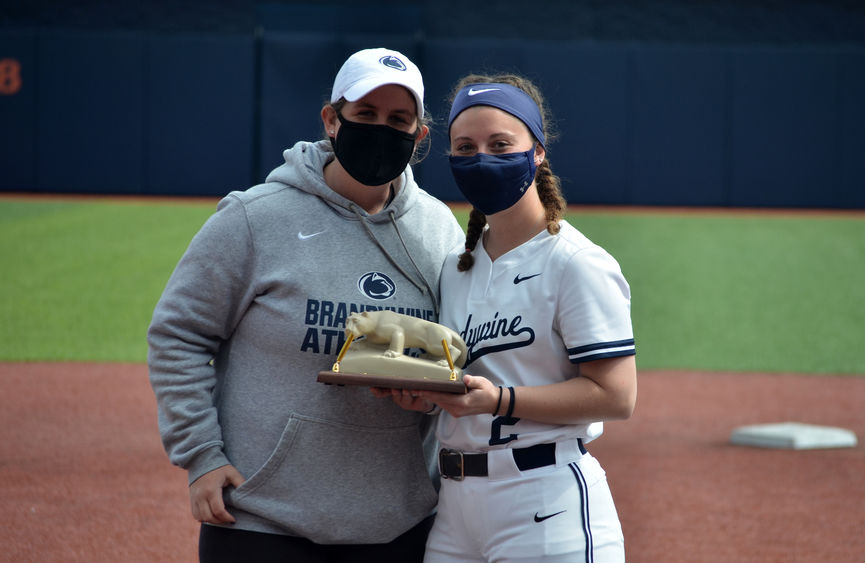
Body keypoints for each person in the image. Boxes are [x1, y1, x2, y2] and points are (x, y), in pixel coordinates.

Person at [147, 47, 464, 562]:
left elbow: (449, 352)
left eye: (398, 120)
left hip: (397, 527)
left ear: (419, 136)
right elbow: (178, 335)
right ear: (331, 120)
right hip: (261, 521)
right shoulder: (254, 218)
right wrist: (201, 455)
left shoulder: (439, 231)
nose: (381, 129)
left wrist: (426, 392)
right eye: (365, 115)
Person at [378, 74, 637, 562]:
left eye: (500, 144)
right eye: (466, 146)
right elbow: (466, 386)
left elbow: (617, 396)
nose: (482, 159)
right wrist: (428, 398)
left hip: (545, 502)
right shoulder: (458, 265)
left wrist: (498, 400)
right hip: (454, 510)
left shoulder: (575, 262)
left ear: (536, 151)